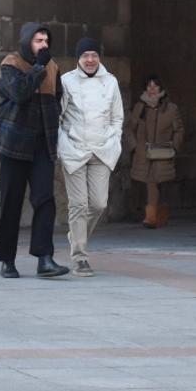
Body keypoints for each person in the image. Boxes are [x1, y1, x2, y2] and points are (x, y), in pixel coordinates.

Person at [0, 22, 70, 279]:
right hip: (14, 145)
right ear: (28, 41)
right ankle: (7, 259)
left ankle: (44, 258)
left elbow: (57, 99)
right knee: (11, 203)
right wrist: (38, 68)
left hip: (42, 144)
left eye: (46, 41)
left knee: (44, 200)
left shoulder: (53, 67)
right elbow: (19, 92)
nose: (43, 46)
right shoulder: (11, 64)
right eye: (38, 41)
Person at [58, 38, 124, 277]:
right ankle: (80, 257)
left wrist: (114, 139)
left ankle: (76, 234)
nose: (89, 59)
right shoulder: (66, 81)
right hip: (75, 150)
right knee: (79, 205)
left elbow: (117, 117)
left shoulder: (111, 82)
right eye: (85, 55)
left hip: (101, 149)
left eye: (94, 54)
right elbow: (59, 116)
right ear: (78, 58)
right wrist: (63, 145)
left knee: (98, 204)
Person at [127, 74, 183, 229]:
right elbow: (129, 128)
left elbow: (179, 130)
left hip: (163, 152)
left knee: (160, 184)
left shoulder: (171, 109)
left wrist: (175, 147)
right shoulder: (139, 107)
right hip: (143, 153)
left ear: (161, 88)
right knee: (149, 182)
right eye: (149, 86)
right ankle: (152, 216)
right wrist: (134, 147)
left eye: (155, 86)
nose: (152, 89)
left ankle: (157, 214)